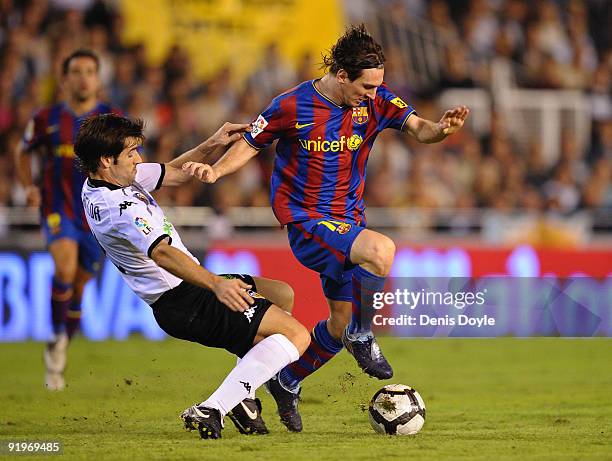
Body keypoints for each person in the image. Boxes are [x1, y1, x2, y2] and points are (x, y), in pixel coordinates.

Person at [184, 24, 469, 432]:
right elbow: (249, 143)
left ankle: (288, 379)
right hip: (307, 223)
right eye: (366, 87)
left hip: (348, 221)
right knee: (380, 251)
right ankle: (363, 334)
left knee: (335, 323)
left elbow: (420, 129)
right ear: (341, 76)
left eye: (377, 87)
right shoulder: (290, 106)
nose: (372, 95)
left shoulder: (377, 101)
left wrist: (441, 130)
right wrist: (215, 170)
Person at [75, 113, 310, 439]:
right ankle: (215, 407)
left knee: (282, 294)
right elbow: (162, 253)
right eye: (131, 154)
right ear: (105, 160)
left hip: (187, 290)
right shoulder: (119, 208)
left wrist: (212, 144)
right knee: (297, 337)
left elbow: (176, 174)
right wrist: (216, 285)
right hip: (185, 300)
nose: (138, 160)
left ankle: (244, 393)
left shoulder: (108, 180)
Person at [14, 49, 122, 390]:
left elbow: (133, 157)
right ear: (64, 79)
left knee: (78, 286)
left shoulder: (110, 119)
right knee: (63, 266)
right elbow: (22, 151)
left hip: (99, 215)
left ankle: (60, 338)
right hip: (58, 207)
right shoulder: (46, 117)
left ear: (98, 78)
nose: (83, 77)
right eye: (76, 71)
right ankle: (58, 334)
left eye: (90, 71)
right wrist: (29, 187)